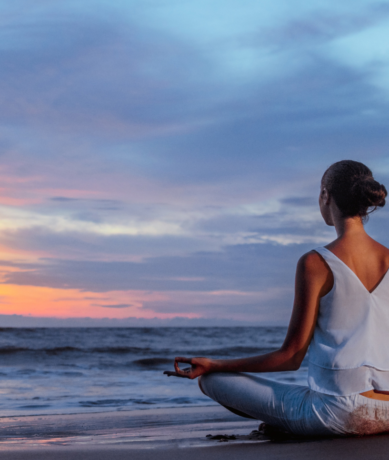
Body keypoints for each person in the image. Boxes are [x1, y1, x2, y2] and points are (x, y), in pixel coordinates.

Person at [164, 160, 389, 437]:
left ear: (325, 196)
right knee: (309, 394)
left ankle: (290, 424)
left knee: (212, 381)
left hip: (338, 413)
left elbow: (290, 357)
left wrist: (214, 364)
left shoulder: (315, 263)